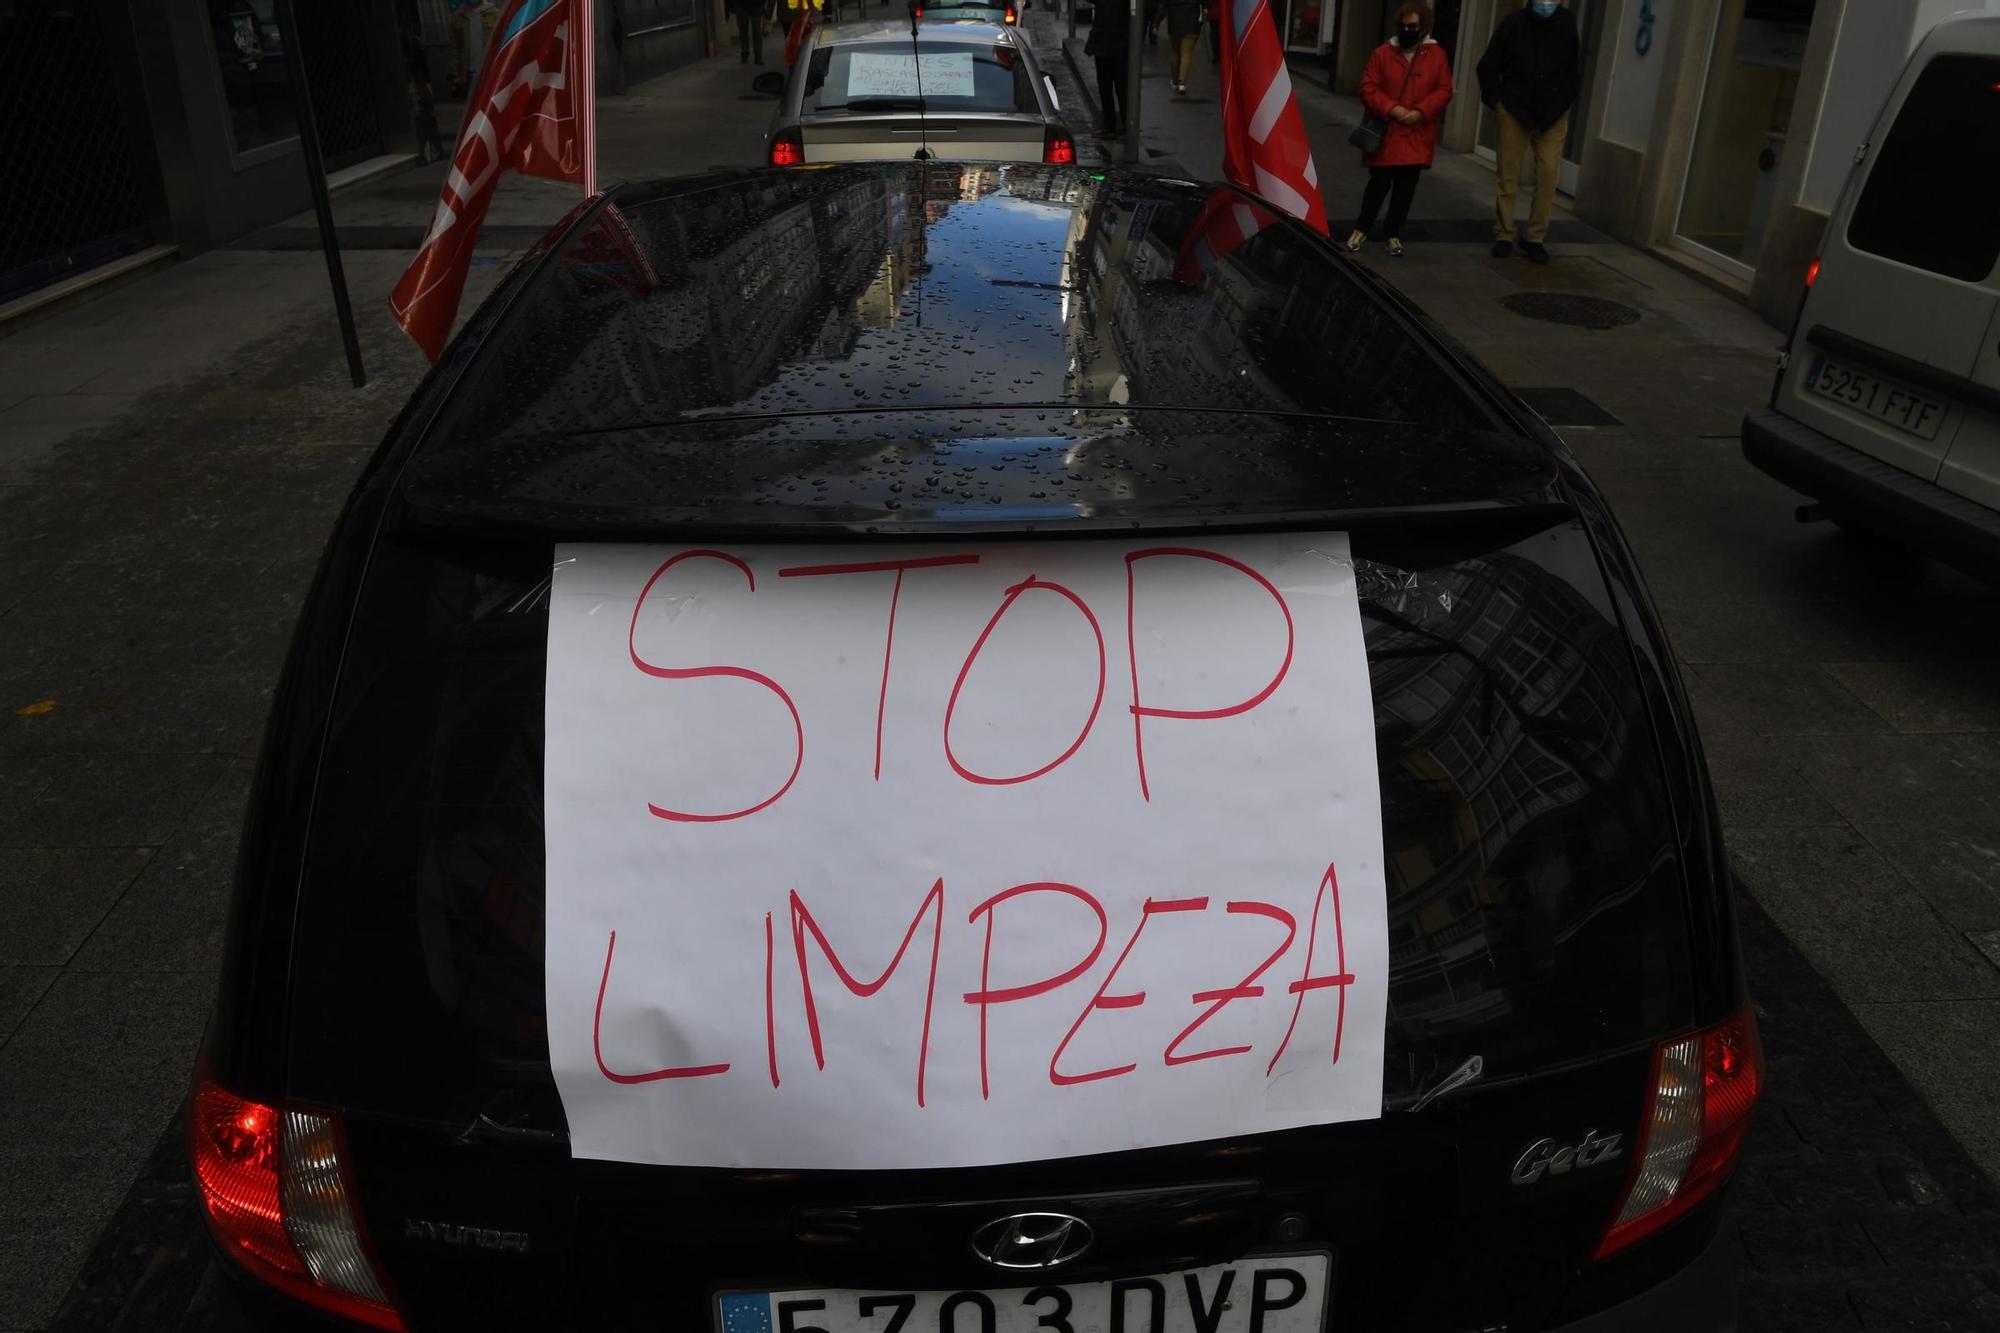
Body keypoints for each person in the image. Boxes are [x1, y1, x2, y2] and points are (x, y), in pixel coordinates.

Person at [1475, 0, 1580, 264]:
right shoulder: (1514, 23)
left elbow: (1572, 70)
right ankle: (1504, 234)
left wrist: (1562, 102)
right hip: (1514, 106)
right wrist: (1497, 101)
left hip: (1553, 111)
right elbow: (1488, 64)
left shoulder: (1566, 24)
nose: (1546, 2)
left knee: (1548, 173)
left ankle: (1535, 237)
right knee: (1508, 174)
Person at [1345, 3, 1452, 258]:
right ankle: (1362, 227)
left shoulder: (1436, 56)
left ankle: (1393, 233)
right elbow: (1368, 87)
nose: (1407, 31)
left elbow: (1444, 89)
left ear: (1423, 27)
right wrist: (1393, 109)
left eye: (1412, 27)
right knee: (1378, 184)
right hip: (1388, 133)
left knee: (1406, 188)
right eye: (1403, 26)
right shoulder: (1383, 54)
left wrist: (1420, 111)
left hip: (1417, 134)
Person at [1086, 0, 1130, 138]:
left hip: (1116, 44)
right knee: (1106, 87)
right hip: (1106, 43)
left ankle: (1122, 125)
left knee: (1120, 88)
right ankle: (1112, 125)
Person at [1165, 0, 1202, 93]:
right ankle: (1182, 82)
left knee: (1175, 52)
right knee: (1186, 53)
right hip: (1192, 22)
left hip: (1175, 22)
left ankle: (1174, 81)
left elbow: (1163, 4)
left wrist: (1156, 22)